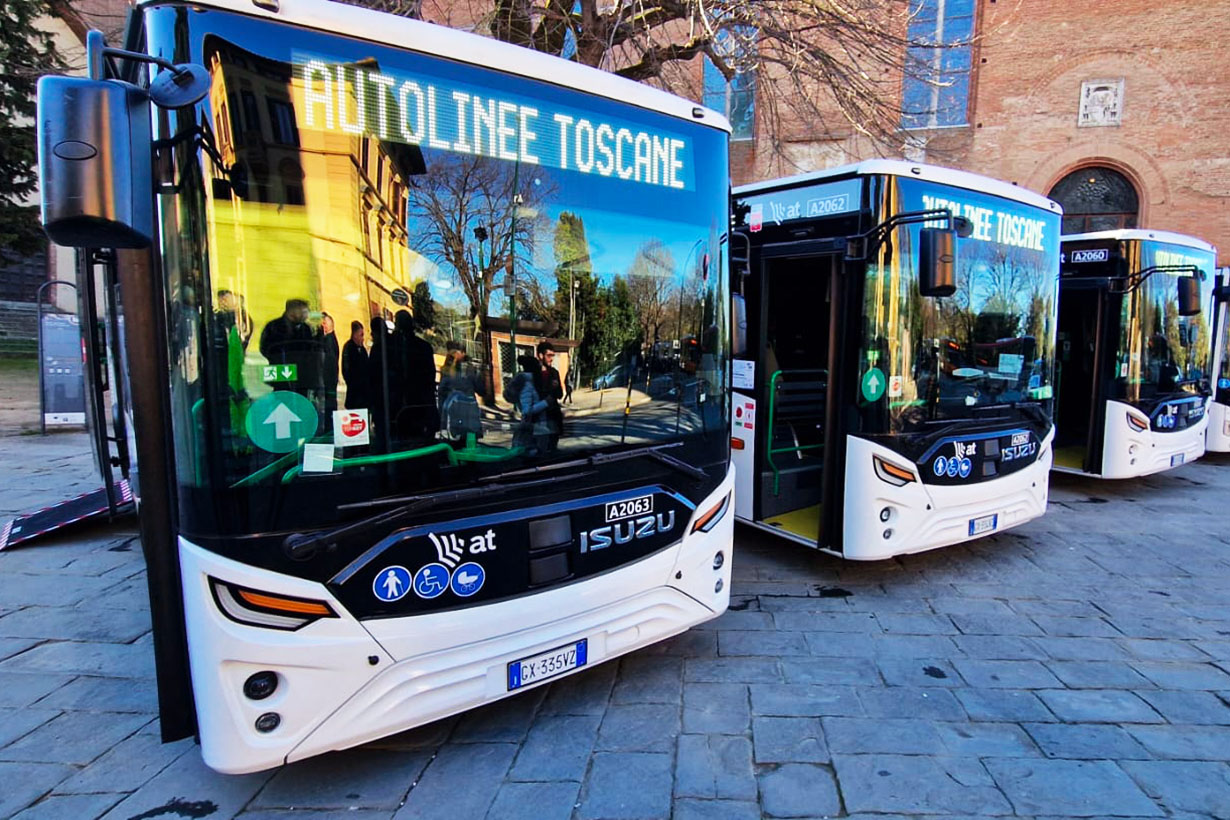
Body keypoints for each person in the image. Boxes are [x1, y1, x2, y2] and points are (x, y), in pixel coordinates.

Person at [259, 298, 322, 401]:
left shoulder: (306, 328)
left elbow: (311, 351)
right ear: (293, 312)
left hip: (301, 378)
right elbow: (265, 348)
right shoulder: (274, 327)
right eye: (304, 312)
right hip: (281, 375)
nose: (307, 315)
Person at [439, 341, 483, 441]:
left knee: (451, 444)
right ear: (463, 353)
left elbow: (441, 393)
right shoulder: (471, 370)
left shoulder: (445, 370)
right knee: (470, 444)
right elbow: (481, 390)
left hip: (451, 415)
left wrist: (441, 417)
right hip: (469, 415)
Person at [508, 354, 549, 454]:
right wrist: (546, 402)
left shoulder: (531, 383)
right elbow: (527, 410)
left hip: (535, 426)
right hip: (533, 427)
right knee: (531, 453)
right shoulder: (527, 385)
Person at [535, 341, 564, 453]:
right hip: (538, 414)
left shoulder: (554, 373)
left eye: (553, 356)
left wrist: (556, 387)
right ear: (540, 355)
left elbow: (560, 395)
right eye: (549, 355)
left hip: (552, 413)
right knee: (539, 447)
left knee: (553, 446)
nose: (551, 359)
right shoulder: (533, 373)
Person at [341, 320, 369, 410]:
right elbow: (346, 368)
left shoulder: (362, 349)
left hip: (364, 394)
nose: (363, 338)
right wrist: (353, 382)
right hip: (354, 393)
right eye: (361, 335)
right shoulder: (348, 348)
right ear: (355, 335)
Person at [318, 312, 340, 418]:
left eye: (324, 323)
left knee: (328, 408)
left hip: (328, 382)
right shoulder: (329, 340)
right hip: (329, 382)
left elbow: (329, 364)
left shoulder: (328, 342)